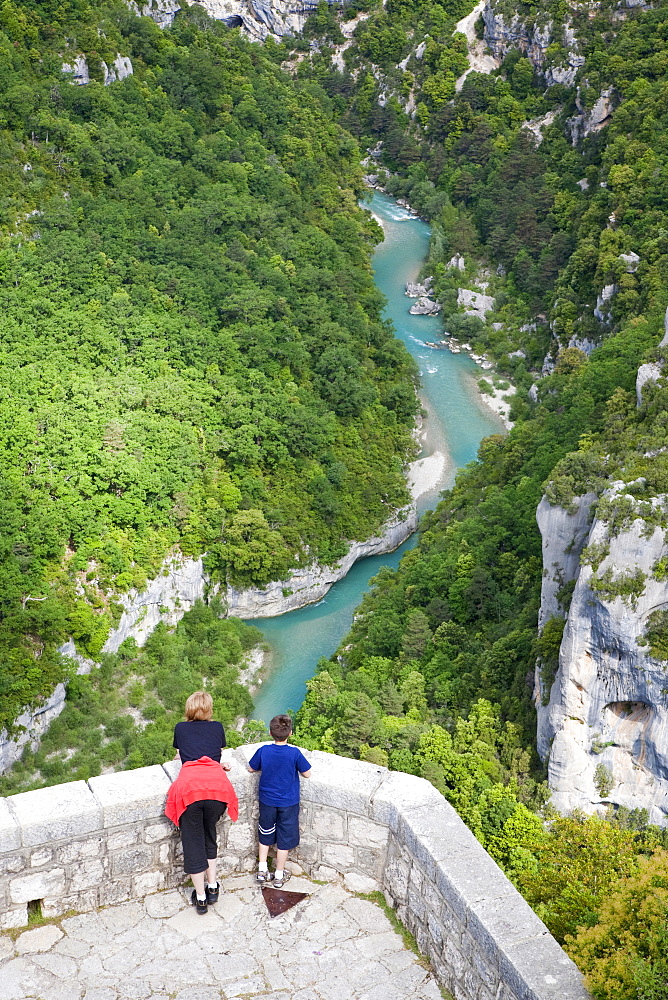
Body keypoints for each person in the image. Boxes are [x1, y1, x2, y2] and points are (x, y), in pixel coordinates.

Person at [165, 691, 238, 915]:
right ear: (209, 709)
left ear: (189, 708)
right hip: (217, 788)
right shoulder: (217, 728)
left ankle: (201, 897)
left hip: (190, 791)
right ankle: (213, 886)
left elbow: (184, 754)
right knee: (209, 835)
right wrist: (221, 765)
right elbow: (214, 753)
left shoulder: (180, 728)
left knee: (192, 841)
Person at [247, 714, 311, 888]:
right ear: (290, 733)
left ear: (270, 732)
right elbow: (307, 773)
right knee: (284, 837)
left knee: (265, 832)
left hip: (267, 800)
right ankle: (279, 874)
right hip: (288, 802)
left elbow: (251, 768)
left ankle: (262, 870)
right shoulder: (294, 753)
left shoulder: (264, 751)